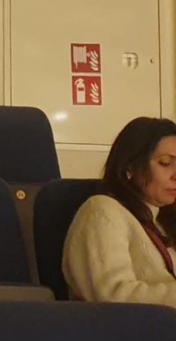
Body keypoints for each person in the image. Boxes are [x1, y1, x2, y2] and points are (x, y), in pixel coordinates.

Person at [63, 117, 176, 306]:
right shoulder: (102, 211)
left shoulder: (163, 220)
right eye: (165, 163)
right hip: (125, 324)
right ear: (130, 167)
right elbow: (113, 296)